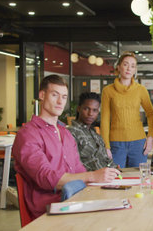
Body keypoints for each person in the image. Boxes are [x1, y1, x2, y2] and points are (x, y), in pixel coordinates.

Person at [12, 75, 120, 219]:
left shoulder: (65, 133)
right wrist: (93, 175)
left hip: (75, 200)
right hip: (50, 209)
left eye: (63, 97)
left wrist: (102, 180)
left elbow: (78, 170)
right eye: (54, 95)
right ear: (42, 95)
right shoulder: (28, 135)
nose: (59, 101)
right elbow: (46, 178)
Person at [101, 51, 153, 168]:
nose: (129, 68)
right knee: (116, 179)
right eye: (125, 64)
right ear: (118, 67)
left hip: (138, 143)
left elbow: (151, 114)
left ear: (135, 70)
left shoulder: (141, 90)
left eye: (132, 66)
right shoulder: (108, 91)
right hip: (115, 143)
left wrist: (150, 137)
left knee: (138, 178)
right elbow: (104, 120)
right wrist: (106, 146)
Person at [68, 92, 117, 171]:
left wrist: (114, 170)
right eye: (86, 109)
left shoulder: (95, 135)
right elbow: (72, 164)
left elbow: (107, 160)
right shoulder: (71, 133)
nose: (90, 114)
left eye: (95, 110)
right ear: (78, 108)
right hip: (87, 179)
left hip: (108, 177)